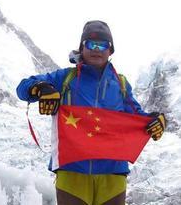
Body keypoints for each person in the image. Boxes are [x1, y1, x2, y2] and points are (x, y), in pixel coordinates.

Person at [16, 20, 166, 205]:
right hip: (72, 172)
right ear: (82, 47)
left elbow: (137, 116)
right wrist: (41, 88)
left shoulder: (120, 84)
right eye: (91, 43)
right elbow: (22, 88)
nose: (97, 49)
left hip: (113, 174)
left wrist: (156, 120)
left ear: (110, 50)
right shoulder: (64, 78)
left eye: (103, 44)